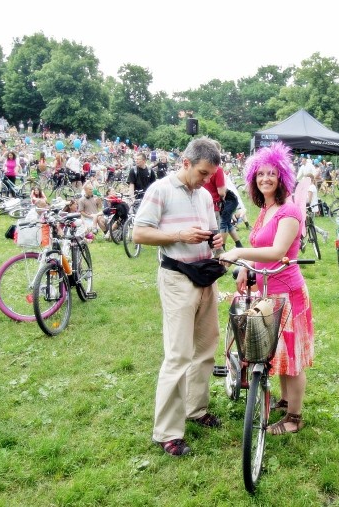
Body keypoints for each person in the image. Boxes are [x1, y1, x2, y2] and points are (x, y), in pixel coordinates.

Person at [132, 137, 225, 457]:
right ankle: (168, 432)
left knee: (205, 347)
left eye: (210, 175)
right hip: (177, 278)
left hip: (205, 276)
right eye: (202, 173)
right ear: (185, 163)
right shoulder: (160, 190)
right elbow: (139, 233)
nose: (206, 180)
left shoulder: (204, 195)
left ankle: (195, 409)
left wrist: (217, 240)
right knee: (178, 354)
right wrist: (179, 235)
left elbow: (212, 236)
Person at [219, 141, 313, 437]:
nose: (266, 179)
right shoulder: (267, 208)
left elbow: (277, 251)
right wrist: (247, 266)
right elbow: (261, 246)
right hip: (267, 291)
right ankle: (286, 402)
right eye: (260, 174)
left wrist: (239, 253)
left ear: (282, 176)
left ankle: (294, 418)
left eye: (272, 173)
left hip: (288, 292)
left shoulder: (289, 211)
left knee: (292, 358)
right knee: (278, 352)